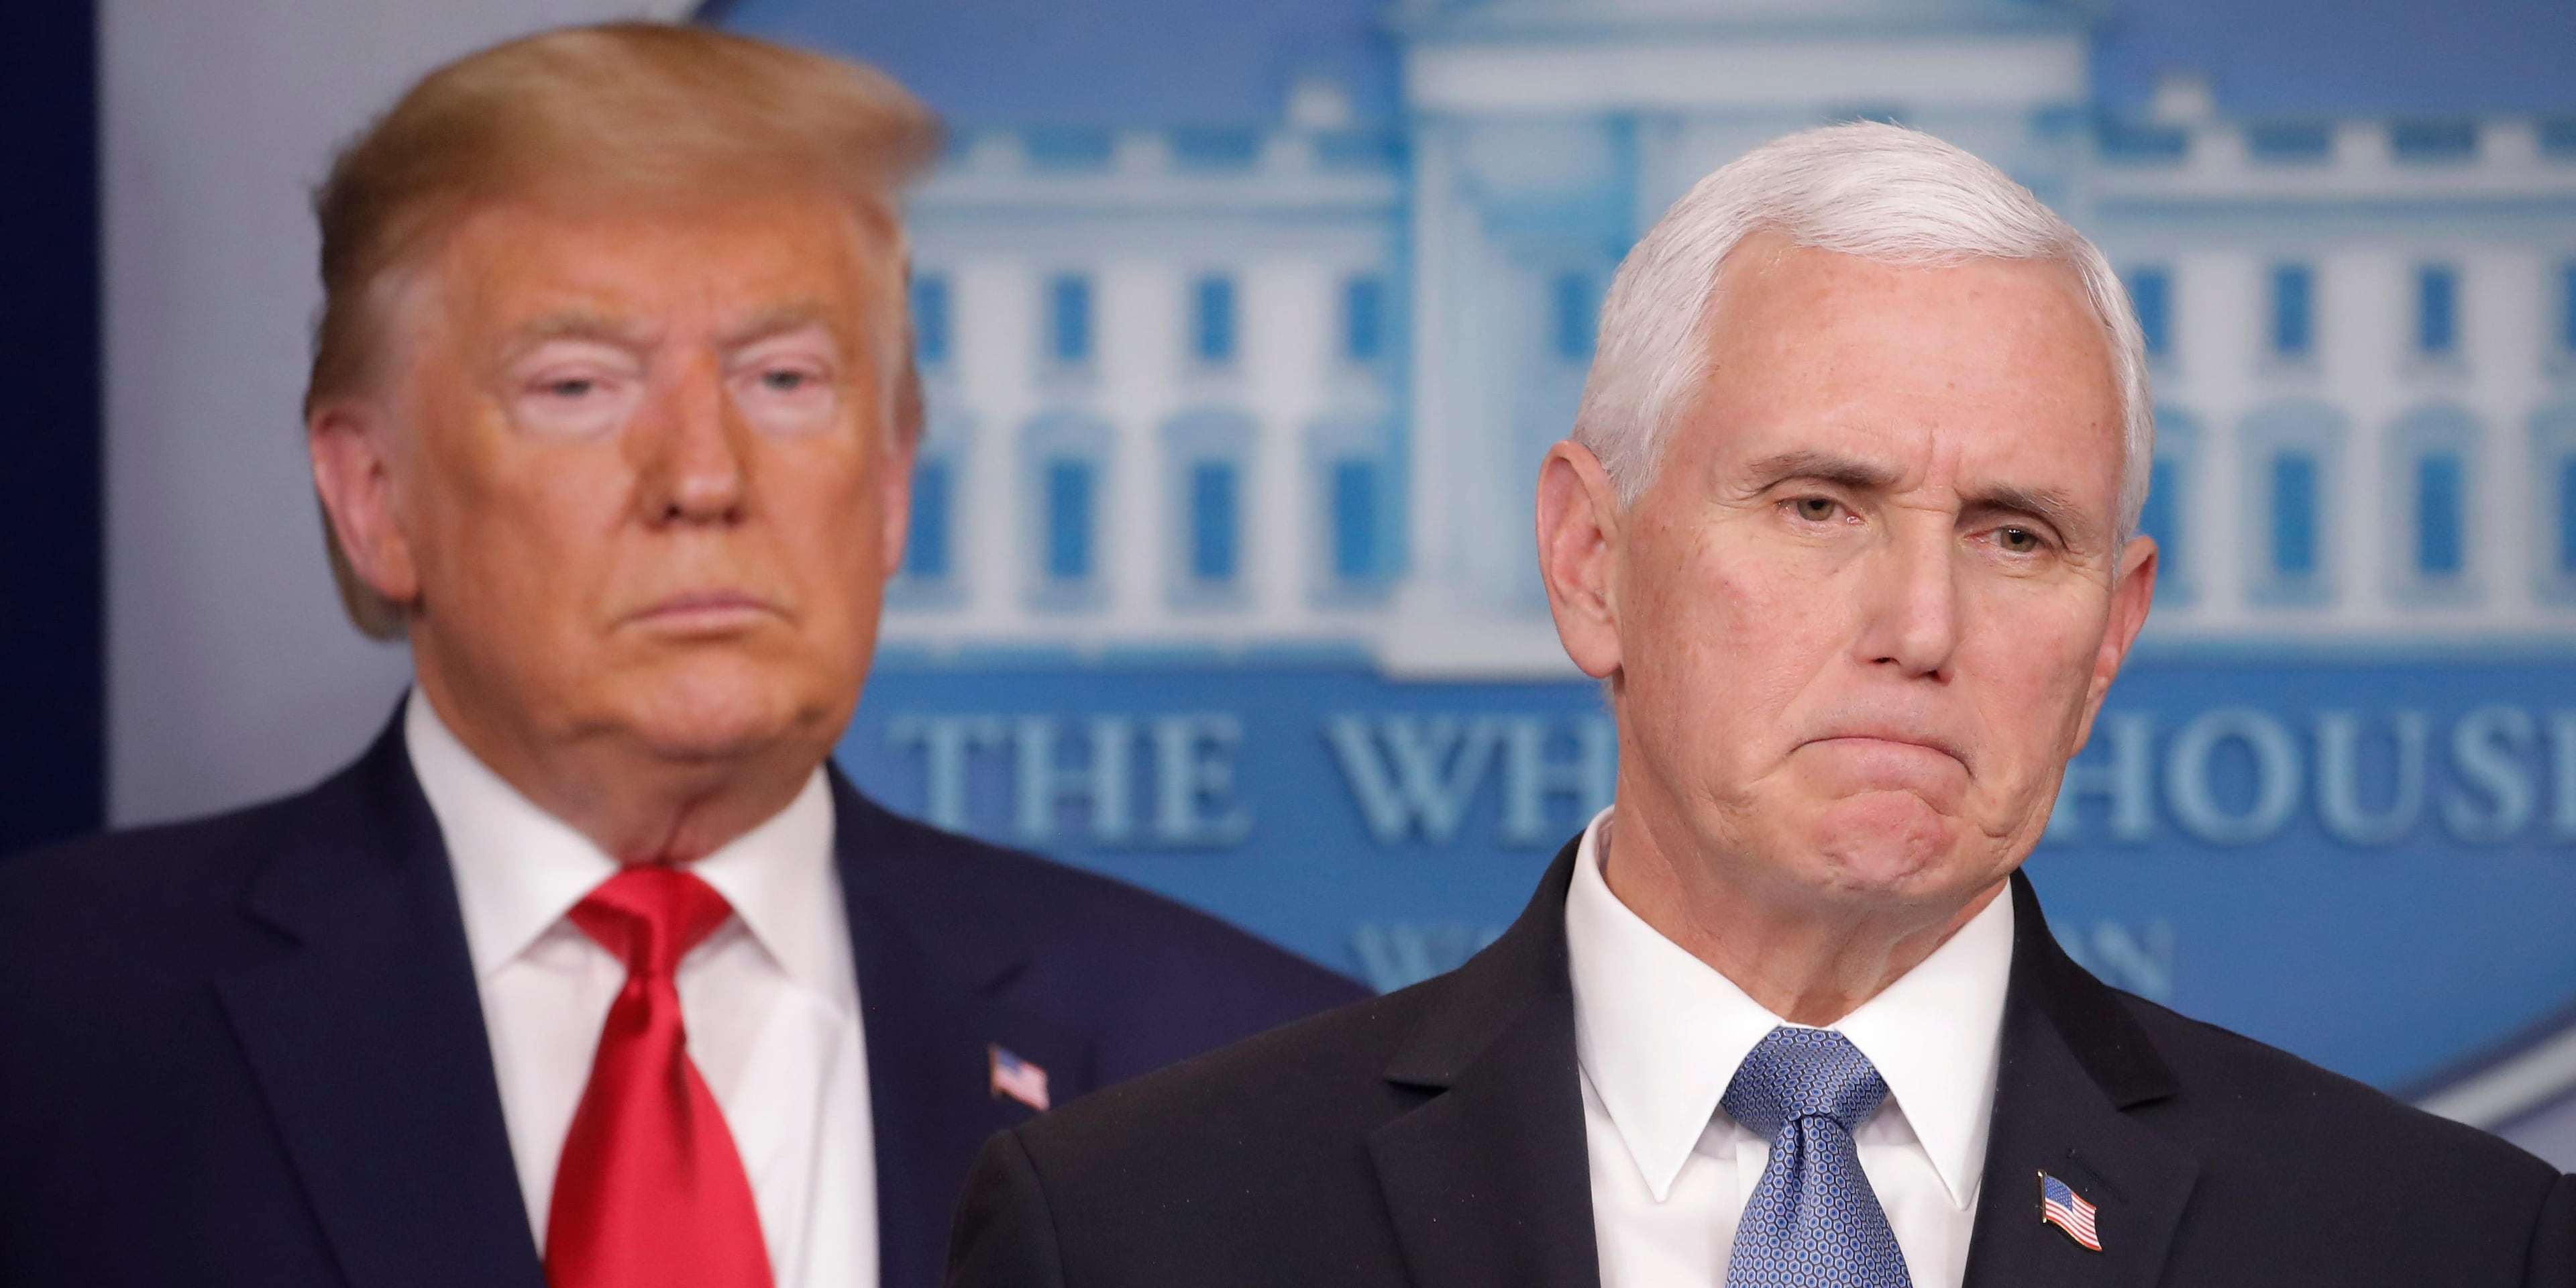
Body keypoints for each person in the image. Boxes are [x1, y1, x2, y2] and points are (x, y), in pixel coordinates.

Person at [944, 123, 2576, 1287]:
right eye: (1819, 507)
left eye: (2018, 537)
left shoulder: (2442, 1244)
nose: (1921, 625)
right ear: (1591, 562)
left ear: (2108, 637)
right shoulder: (1140, 1229)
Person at [0, 23, 1360, 1288]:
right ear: (375, 498)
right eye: (579, 386)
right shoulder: (52, 1027)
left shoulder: (1261, 1074)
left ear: (889, 480)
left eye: (784, 380)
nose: (704, 475)